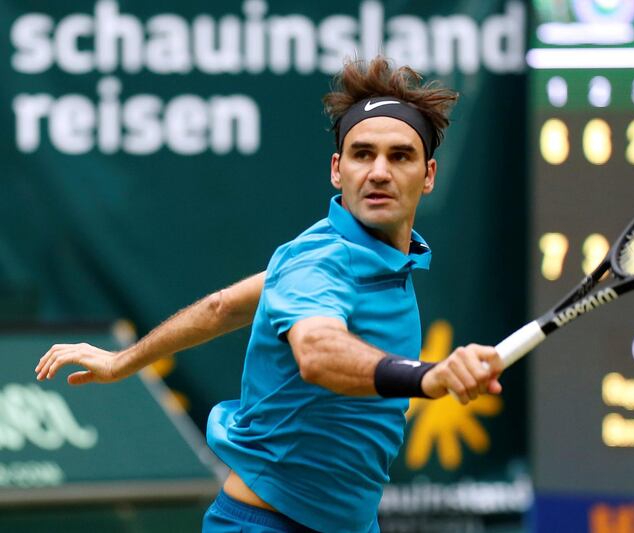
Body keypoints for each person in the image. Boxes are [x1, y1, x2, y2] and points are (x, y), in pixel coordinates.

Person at [35, 56, 503, 533]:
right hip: (265, 524)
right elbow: (318, 354)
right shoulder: (320, 261)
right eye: (363, 154)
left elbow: (223, 308)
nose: (379, 171)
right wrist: (430, 376)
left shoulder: (380, 260)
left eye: (400, 156)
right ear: (338, 170)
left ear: (428, 175)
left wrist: (123, 361)